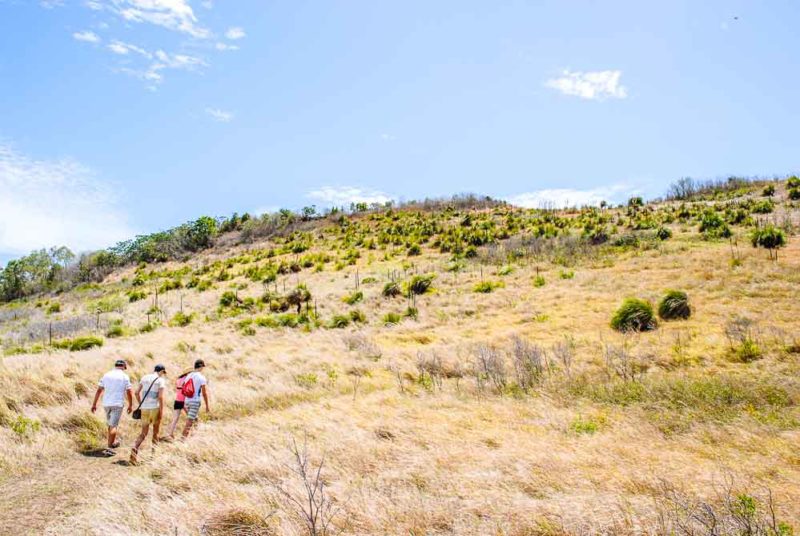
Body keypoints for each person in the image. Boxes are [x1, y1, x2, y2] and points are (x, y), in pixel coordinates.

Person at [91, 359, 133, 454]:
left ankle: (111, 443)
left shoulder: (106, 375)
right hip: (117, 404)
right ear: (124, 367)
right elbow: (129, 391)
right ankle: (110, 448)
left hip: (106, 403)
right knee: (114, 426)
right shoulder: (124, 376)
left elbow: (99, 390)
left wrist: (94, 404)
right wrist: (130, 405)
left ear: (115, 366)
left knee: (110, 424)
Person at [130, 364, 167, 464]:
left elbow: (137, 393)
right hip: (155, 408)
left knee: (143, 433)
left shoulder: (144, 377)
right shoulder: (160, 380)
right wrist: (162, 411)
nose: (163, 375)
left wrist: (141, 404)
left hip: (144, 409)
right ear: (162, 371)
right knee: (155, 433)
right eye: (163, 373)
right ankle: (153, 456)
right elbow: (160, 397)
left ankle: (134, 449)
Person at [182, 359, 210, 438]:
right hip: (195, 401)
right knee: (189, 422)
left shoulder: (188, 376)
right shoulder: (201, 377)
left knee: (195, 420)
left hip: (187, 400)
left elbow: (183, 388)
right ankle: (182, 439)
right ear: (201, 366)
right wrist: (207, 406)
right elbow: (204, 393)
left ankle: (194, 436)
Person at [166, 369, 191, 440]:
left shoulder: (178, 380)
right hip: (184, 401)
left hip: (177, 400)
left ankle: (170, 434)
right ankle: (190, 434)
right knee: (191, 418)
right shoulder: (188, 379)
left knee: (175, 419)